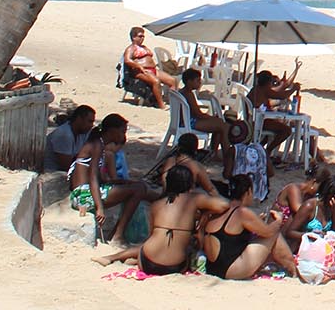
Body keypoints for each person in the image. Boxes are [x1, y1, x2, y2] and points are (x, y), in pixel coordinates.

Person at [94, 164, 228, 274]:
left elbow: (151, 236)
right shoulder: (194, 199)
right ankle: (127, 259)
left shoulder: (156, 204)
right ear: (189, 184)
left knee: (148, 244)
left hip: (147, 262)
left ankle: (111, 258)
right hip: (175, 266)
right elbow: (224, 205)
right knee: (191, 248)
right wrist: (204, 215)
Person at [201, 174, 301, 280]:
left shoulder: (220, 210)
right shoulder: (242, 212)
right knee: (275, 234)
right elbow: (269, 232)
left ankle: (289, 266)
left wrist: (257, 221)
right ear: (248, 192)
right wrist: (278, 220)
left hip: (212, 269)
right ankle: (293, 269)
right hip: (230, 270)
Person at [68, 113, 148, 242]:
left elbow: (103, 179)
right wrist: (99, 207)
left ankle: (118, 232)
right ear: (112, 131)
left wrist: (124, 182)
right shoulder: (97, 145)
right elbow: (93, 177)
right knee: (138, 190)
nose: (124, 136)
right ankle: (118, 234)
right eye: (122, 131)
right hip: (82, 196)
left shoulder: (99, 145)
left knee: (139, 187)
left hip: (83, 193)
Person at [248, 69, 301, 155]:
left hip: (253, 120)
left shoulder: (256, 89)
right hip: (259, 122)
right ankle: (267, 151)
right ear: (268, 82)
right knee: (286, 131)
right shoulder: (264, 90)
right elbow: (281, 96)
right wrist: (293, 89)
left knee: (275, 127)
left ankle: (261, 148)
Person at [122, 26, 177, 108]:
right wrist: (139, 66)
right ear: (134, 37)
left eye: (143, 36)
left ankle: (174, 102)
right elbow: (127, 60)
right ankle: (161, 104)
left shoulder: (144, 47)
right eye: (140, 36)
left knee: (172, 81)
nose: (142, 38)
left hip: (153, 69)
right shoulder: (131, 48)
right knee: (156, 81)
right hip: (141, 71)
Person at [46, 105, 95, 172]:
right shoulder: (64, 134)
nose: (91, 125)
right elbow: (66, 166)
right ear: (79, 119)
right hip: (53, 172)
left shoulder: (83, 132)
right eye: (89, 121)